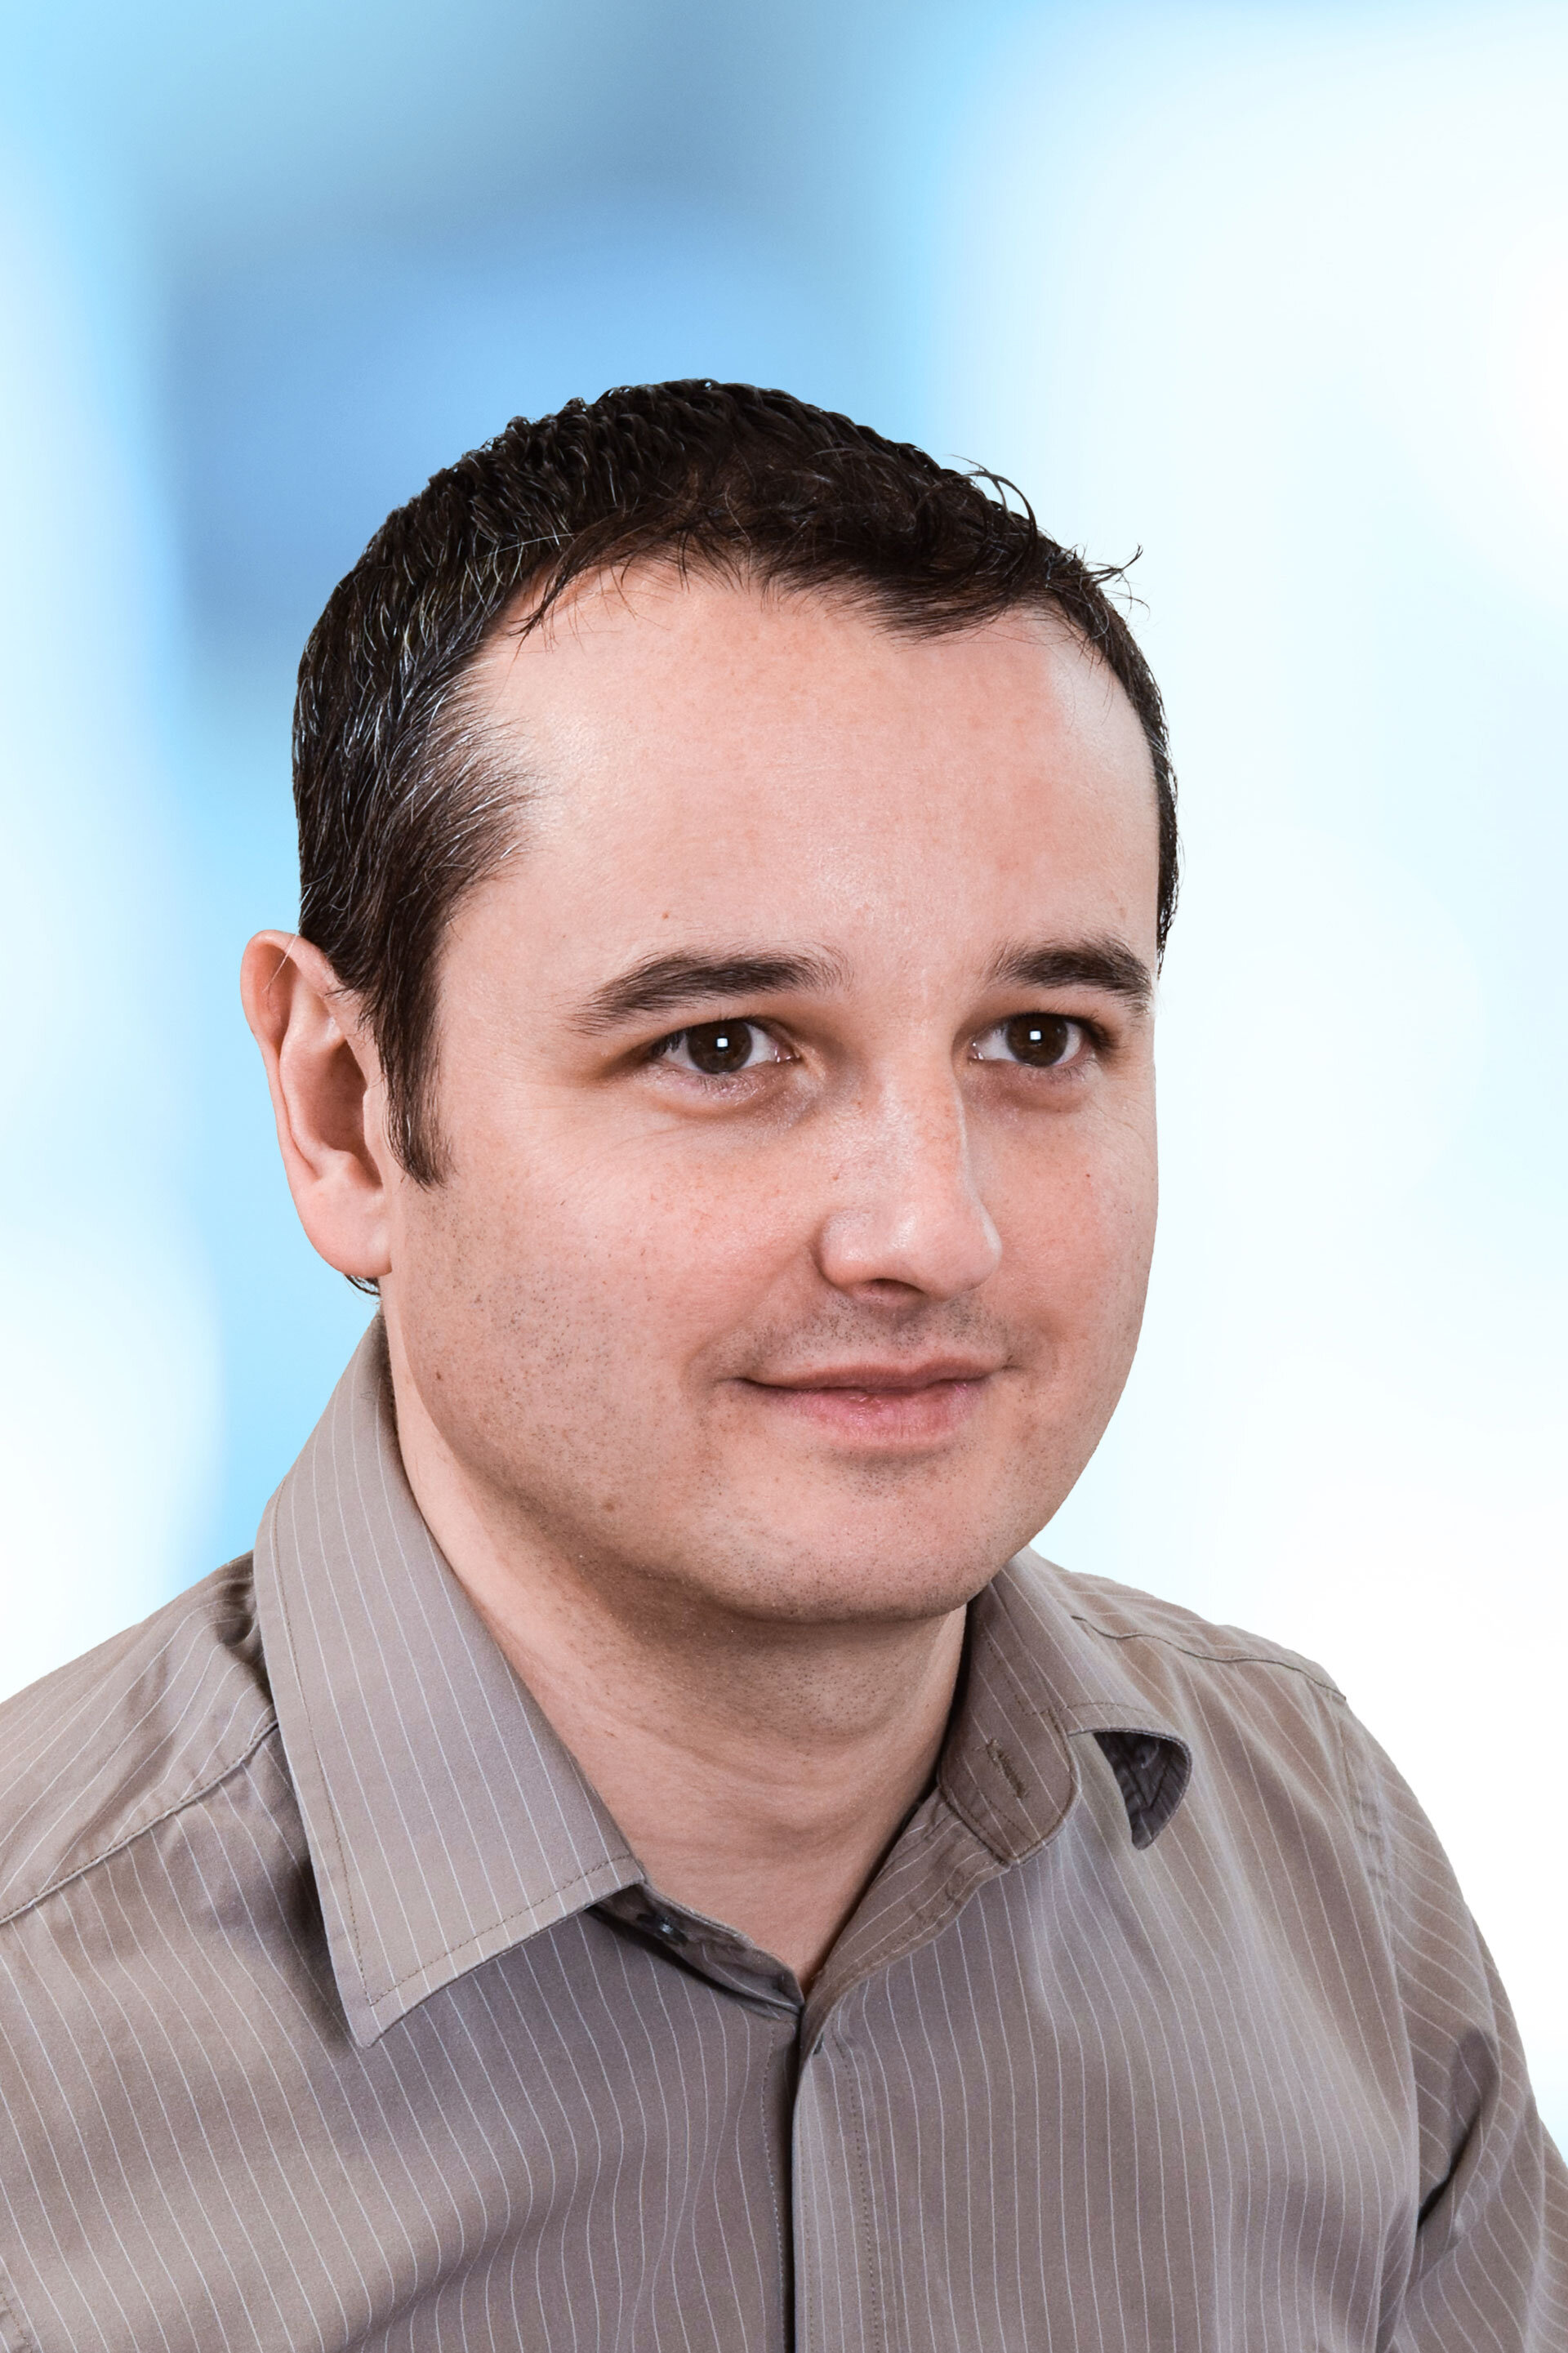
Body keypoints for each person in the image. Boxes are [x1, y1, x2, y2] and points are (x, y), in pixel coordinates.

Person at [0, 381, 1561, 2353]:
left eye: (1042, 1038)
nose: (931, 1230)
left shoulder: (1325, 1872)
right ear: (343, 1110)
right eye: (724, 1047)